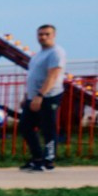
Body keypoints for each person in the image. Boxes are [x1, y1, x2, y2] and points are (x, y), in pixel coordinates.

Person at [17, 23, 67, 172]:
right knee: (25, 127)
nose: (43, 37)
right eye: (41, 34)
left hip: (49, 96)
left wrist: (40, 95)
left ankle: (48, 161)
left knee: (48, 128)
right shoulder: (37, 55)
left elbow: (53, 75)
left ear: (53, 36)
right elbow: (33, 77)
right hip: (33, 96)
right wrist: (27, 96)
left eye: (47, 34)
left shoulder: (56, 52)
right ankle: (37, 158)